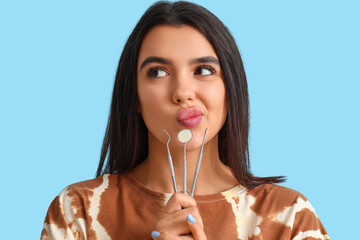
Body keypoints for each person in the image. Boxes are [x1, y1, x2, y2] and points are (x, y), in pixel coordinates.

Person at [41, 1, 329, 239]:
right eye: (157, 72)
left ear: (231, 88)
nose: (182, 93)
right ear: (135, 97)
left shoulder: (290, 216)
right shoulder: (77, 211)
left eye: (203, 70)